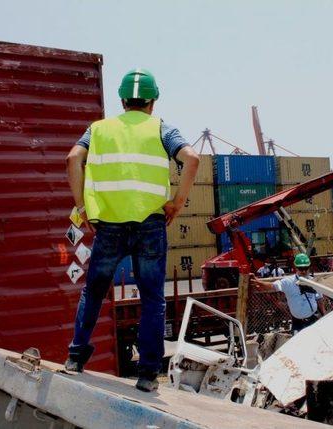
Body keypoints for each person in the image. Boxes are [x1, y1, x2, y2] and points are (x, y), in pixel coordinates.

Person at [65, 69, 200, 392]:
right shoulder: (161, 128)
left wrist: (83, 209)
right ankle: (148, 374)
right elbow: (191, 158)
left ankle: (75, 357)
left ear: (123, 100)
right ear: (152, 101)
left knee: (94, 291)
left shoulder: (98, 129)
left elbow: (73, 159)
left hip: (108, 224)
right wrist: (176, 203)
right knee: (153, 299)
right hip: (150, 224)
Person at [250, 253, 327, 334]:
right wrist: (258, 282)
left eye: (306, 268)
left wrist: (324, 316)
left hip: (313, 320)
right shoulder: (288, 282)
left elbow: (319, 300)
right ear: (296, 268)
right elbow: (273, 286)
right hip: (298, 323)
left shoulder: (314, 282)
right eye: (301, 268)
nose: (304, 271)